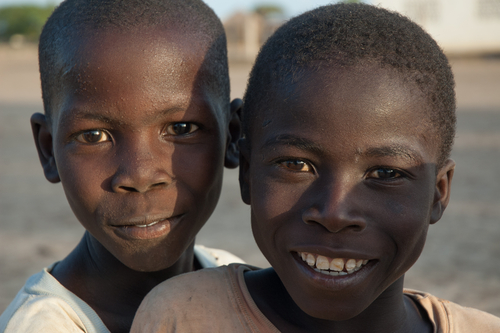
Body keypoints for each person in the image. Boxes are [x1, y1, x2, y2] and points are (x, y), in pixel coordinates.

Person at [130, 3, 500, 333]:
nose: (334, 213)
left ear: (439, 192)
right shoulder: (183, 316)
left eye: (385, 174)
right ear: (245, 170)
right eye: (295, 164)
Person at [0, 0, 244, 332]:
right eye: (93, 135)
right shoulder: (42, 326)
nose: (140, 176)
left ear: (232, 137)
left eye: (181, 129)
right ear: (48, 150)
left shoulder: (237, 279)